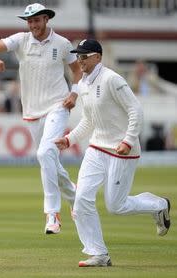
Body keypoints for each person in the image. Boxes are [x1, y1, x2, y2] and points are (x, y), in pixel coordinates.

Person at [55, 39, 171, 267]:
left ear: (98, 57)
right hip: (97, 148)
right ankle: (98, 253)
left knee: (115, 206)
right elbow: (89, 120)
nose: (80, 60)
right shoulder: (84, 83)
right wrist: (69, 139)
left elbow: (135, 109)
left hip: (121, 150)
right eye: (78, 56)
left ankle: (159, 206)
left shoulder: (112, 79)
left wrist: (128, 140)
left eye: (85, 56)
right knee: (80, 200)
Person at [0, 3, 82, 234]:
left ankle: (52, 215)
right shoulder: (21, 39)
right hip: (31, 111)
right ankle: (74, 195)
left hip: (58, 106)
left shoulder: (63, 44)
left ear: (46, 19)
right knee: (49, 159)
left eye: (36, 20)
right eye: (29, 21)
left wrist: (74, 94)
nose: (33, 25)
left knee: (45, 153)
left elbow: (77, 71)